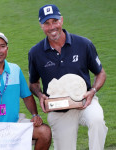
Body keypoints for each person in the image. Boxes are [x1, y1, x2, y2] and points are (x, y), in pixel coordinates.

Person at [28, 4, 108, 150]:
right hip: (58, 109)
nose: (52, 27)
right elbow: (33, 83)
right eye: (47, 23)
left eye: (55, 21)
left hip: (85, 101)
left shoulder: (84, 44)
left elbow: (101, 73)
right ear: (41, 26)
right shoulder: (35, 53)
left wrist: (93, 91)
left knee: (97, 120)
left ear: (62, 20)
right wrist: (40, 95)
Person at [0, 31, 51, 150]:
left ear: (7, 49)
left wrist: (35, 114)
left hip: (14, 125)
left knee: (44, 132)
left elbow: (27, 96)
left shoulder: (15, 70)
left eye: (2, 46)